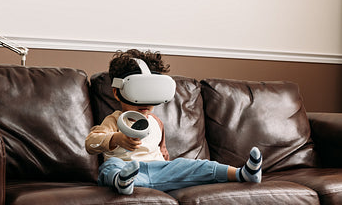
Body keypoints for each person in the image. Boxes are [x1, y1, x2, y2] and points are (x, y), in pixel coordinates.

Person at [85, 49, 263, 195]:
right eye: (139, 93)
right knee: (110, 166)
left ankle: (243, 174)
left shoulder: (156, 123)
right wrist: (116, 139)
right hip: (128, 171)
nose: (145, 102)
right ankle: (122, 181)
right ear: (118, 92)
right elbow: (91, 143)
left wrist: (170, 167)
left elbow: (164, 154)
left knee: (192, 164)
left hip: (160, 171)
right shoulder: (114, 120)